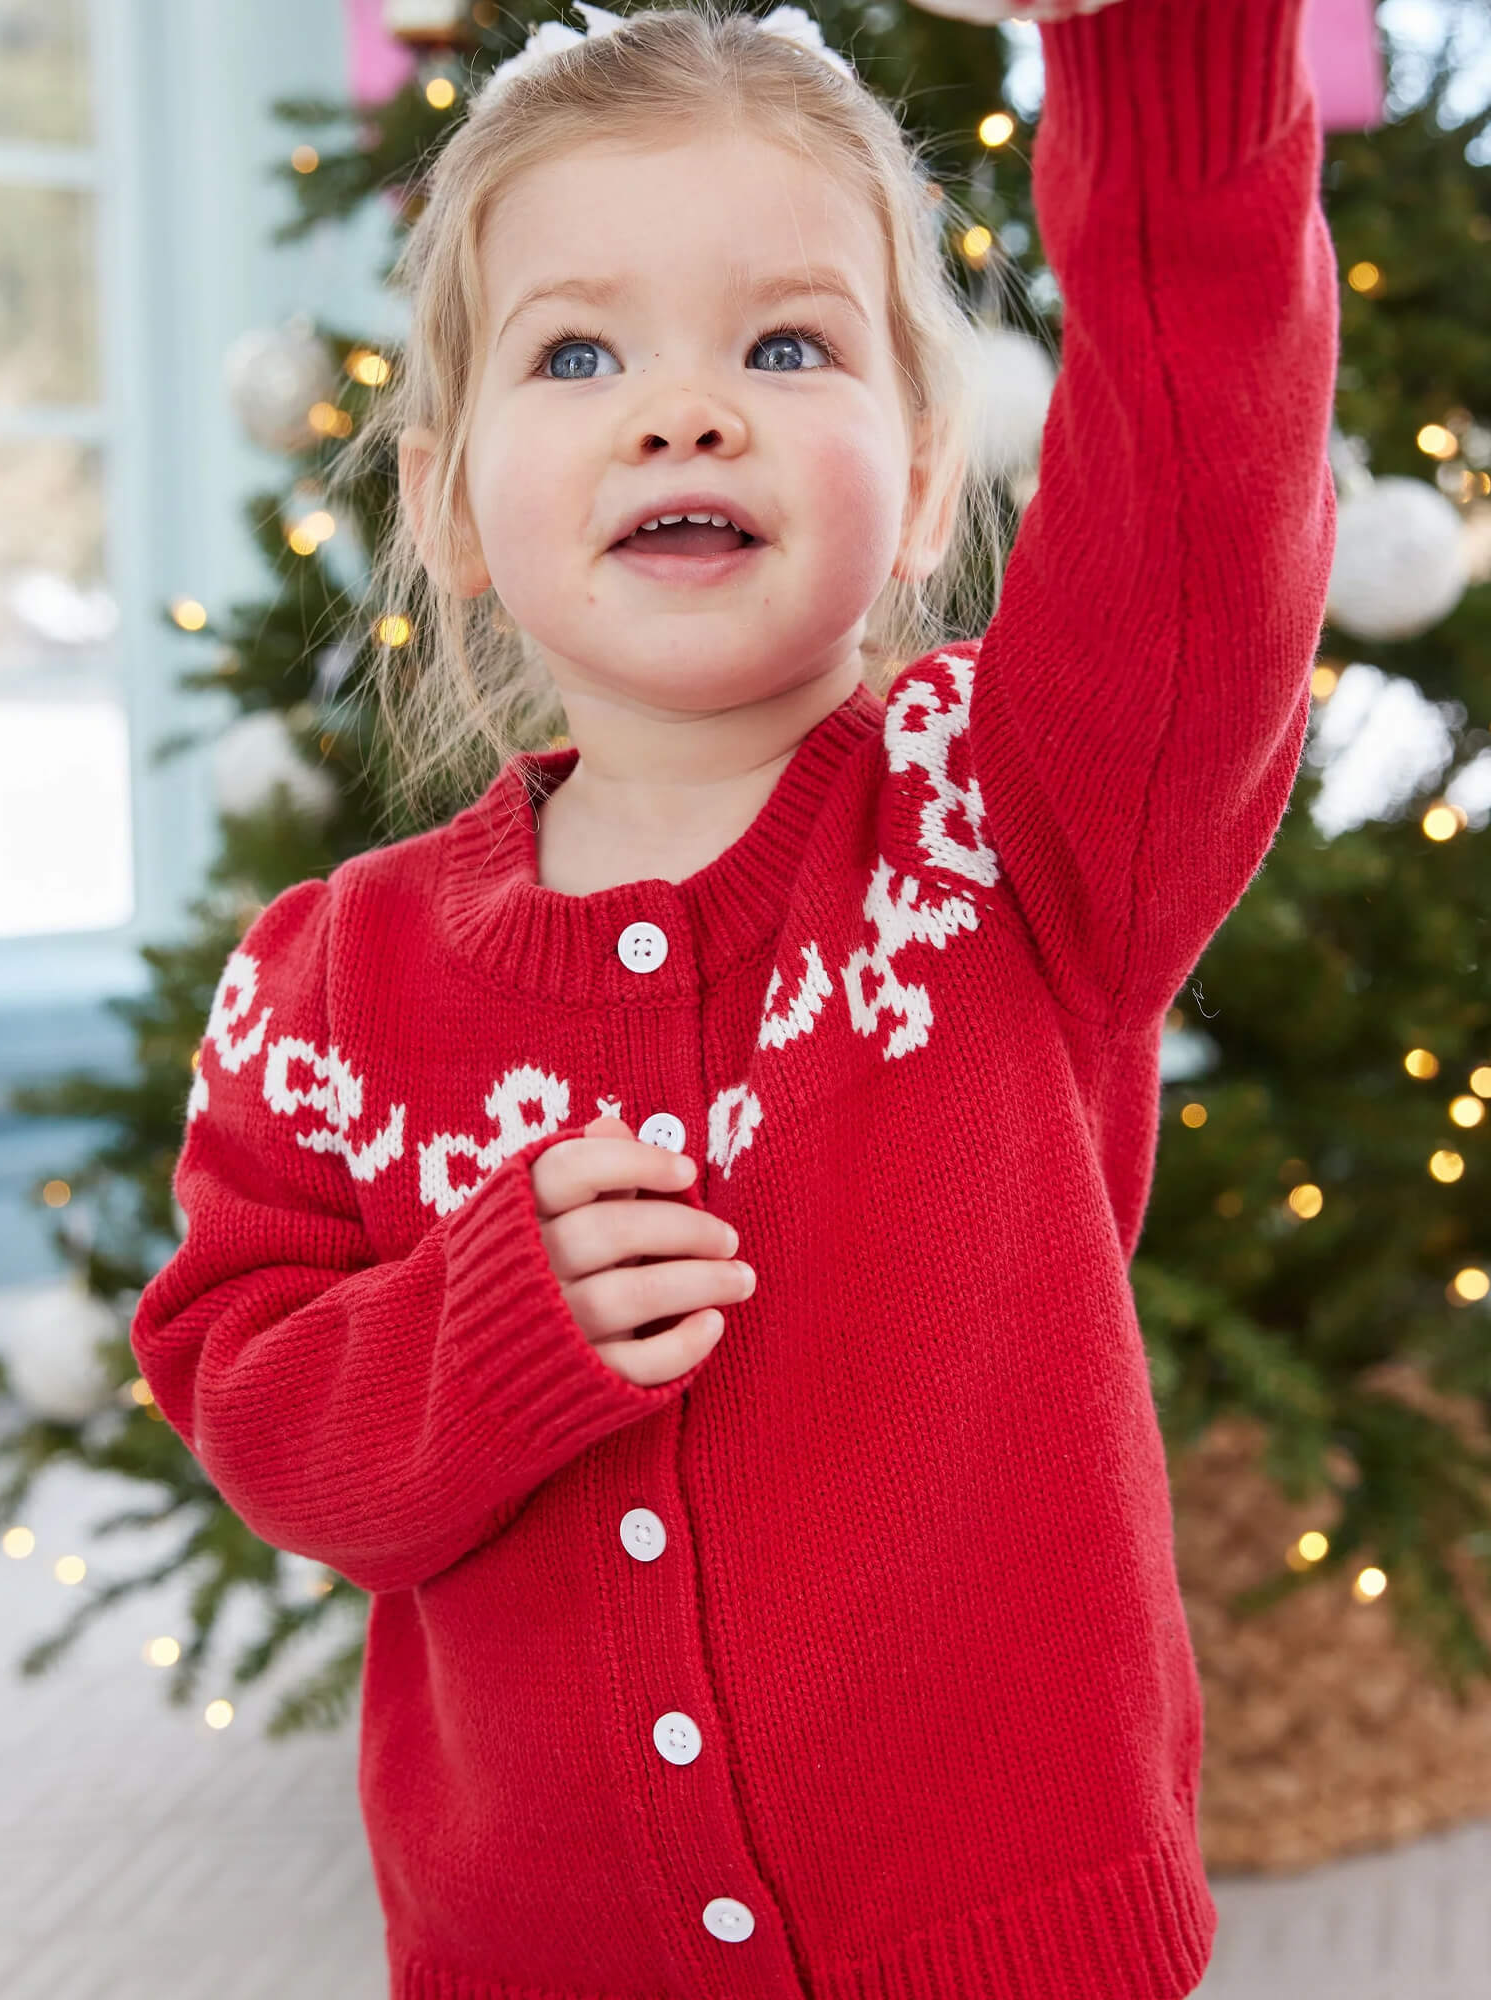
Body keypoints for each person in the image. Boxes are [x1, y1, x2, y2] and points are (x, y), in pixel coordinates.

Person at [130, 0, 1337, 1992]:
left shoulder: (1009, 830)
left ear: (927, 478)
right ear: (446, 504)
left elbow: (1206, 492)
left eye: (785, 347)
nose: (682, 412)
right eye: (578, 352)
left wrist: (1160, 45)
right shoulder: (326, 981)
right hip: (535, 1949)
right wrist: (483, 1331)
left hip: (1000, 1937)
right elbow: (259, 1417)